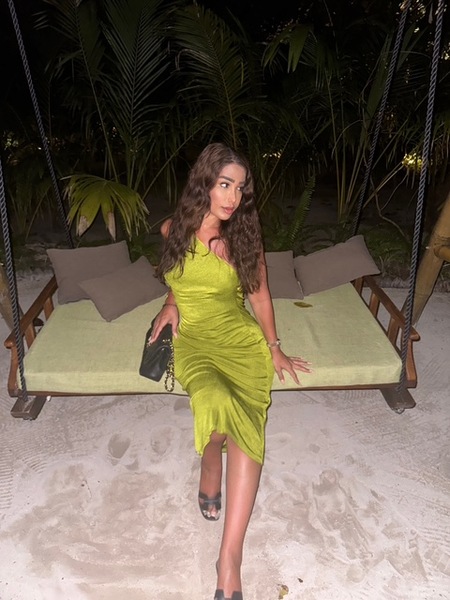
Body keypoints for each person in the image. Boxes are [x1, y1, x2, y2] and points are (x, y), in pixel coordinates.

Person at [152, 143, 311, 600]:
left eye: (240, 188)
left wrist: (275, 348)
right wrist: (170, 304)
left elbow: (259, 296)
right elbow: (178, 277)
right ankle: (210, 462)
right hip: (194, 342)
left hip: (239, 342)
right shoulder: (172, 230)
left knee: (244, 422)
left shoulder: (240, 239)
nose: (233, 197)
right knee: (213, 403)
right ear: (204, 182)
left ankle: (229, 558)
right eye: (225, 184)